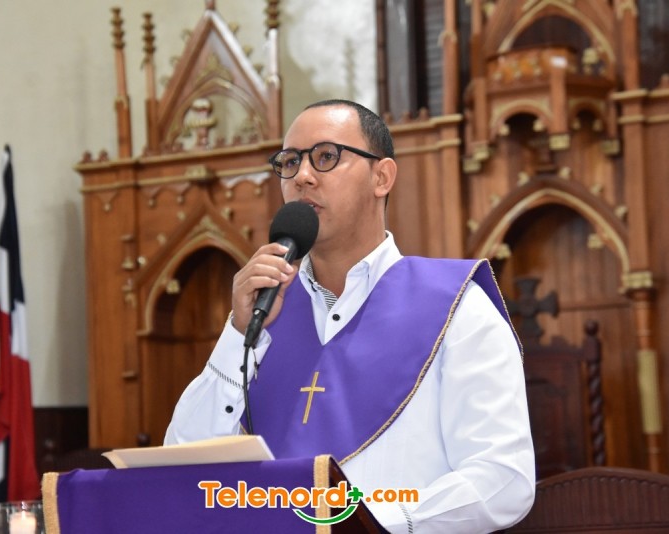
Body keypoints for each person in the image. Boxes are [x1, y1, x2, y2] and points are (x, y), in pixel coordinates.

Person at [164, 99, 535, 533]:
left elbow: (502, 479)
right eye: (289, 162)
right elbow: (183, 460)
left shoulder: (455, 306)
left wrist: (369, 526)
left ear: (382, 177)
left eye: (325, 156)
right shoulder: (265, 312)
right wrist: (238, 333)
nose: (302, 176)